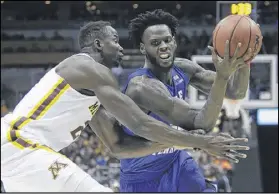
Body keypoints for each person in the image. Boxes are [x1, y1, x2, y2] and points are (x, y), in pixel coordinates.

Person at [0, 21, 248, 192]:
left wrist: (184, 140)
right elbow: (140, 123)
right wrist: (200, 142)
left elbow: (118, 146)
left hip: (17, 153)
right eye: (115, 40)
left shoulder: (86, 91)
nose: (120, 47)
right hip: (20, 144)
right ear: (98, 44)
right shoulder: (90, 69)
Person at [115, 9, 253, 192]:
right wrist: (222, 76)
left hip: (177, 163)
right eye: (155, 43)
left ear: (174, 40)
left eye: (167, 39)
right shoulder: (142, 87)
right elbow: (202, 123)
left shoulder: (182, 68)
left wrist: (245, 58)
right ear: (143, 48)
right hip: (143, 178)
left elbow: (236, 91)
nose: (163, 46)